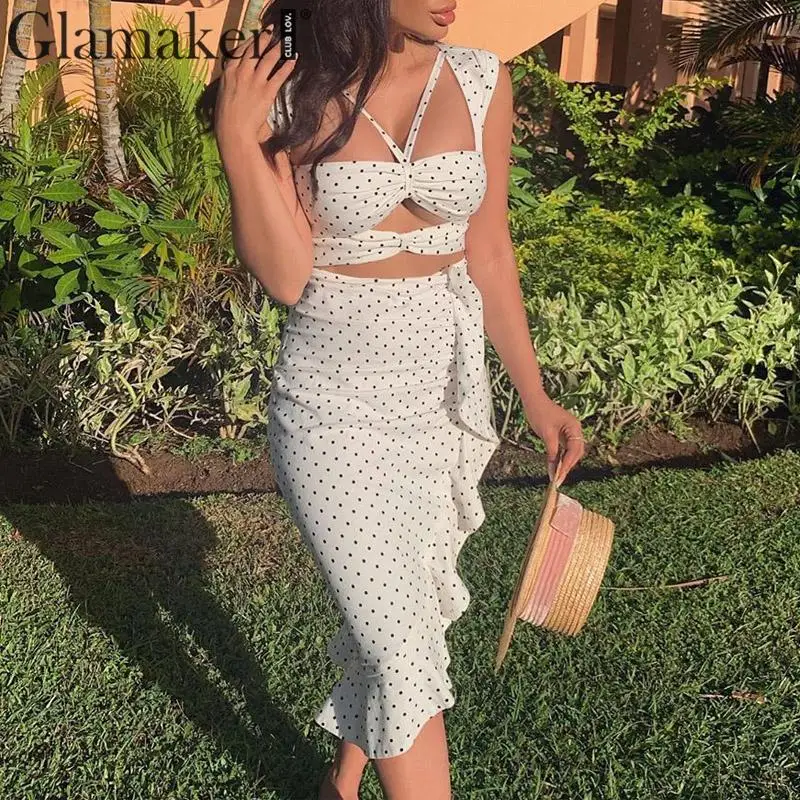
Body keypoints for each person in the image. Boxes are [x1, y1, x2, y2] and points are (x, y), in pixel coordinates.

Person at [203, 1, 584, 797]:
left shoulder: (480, 79)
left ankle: (340, 784)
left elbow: (489, 247)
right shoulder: (293, 88)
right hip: (331, 406)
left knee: (404, 614)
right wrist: (238, 140)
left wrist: (536, 395)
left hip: (437, 392)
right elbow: (287, 277)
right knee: (401, 648)